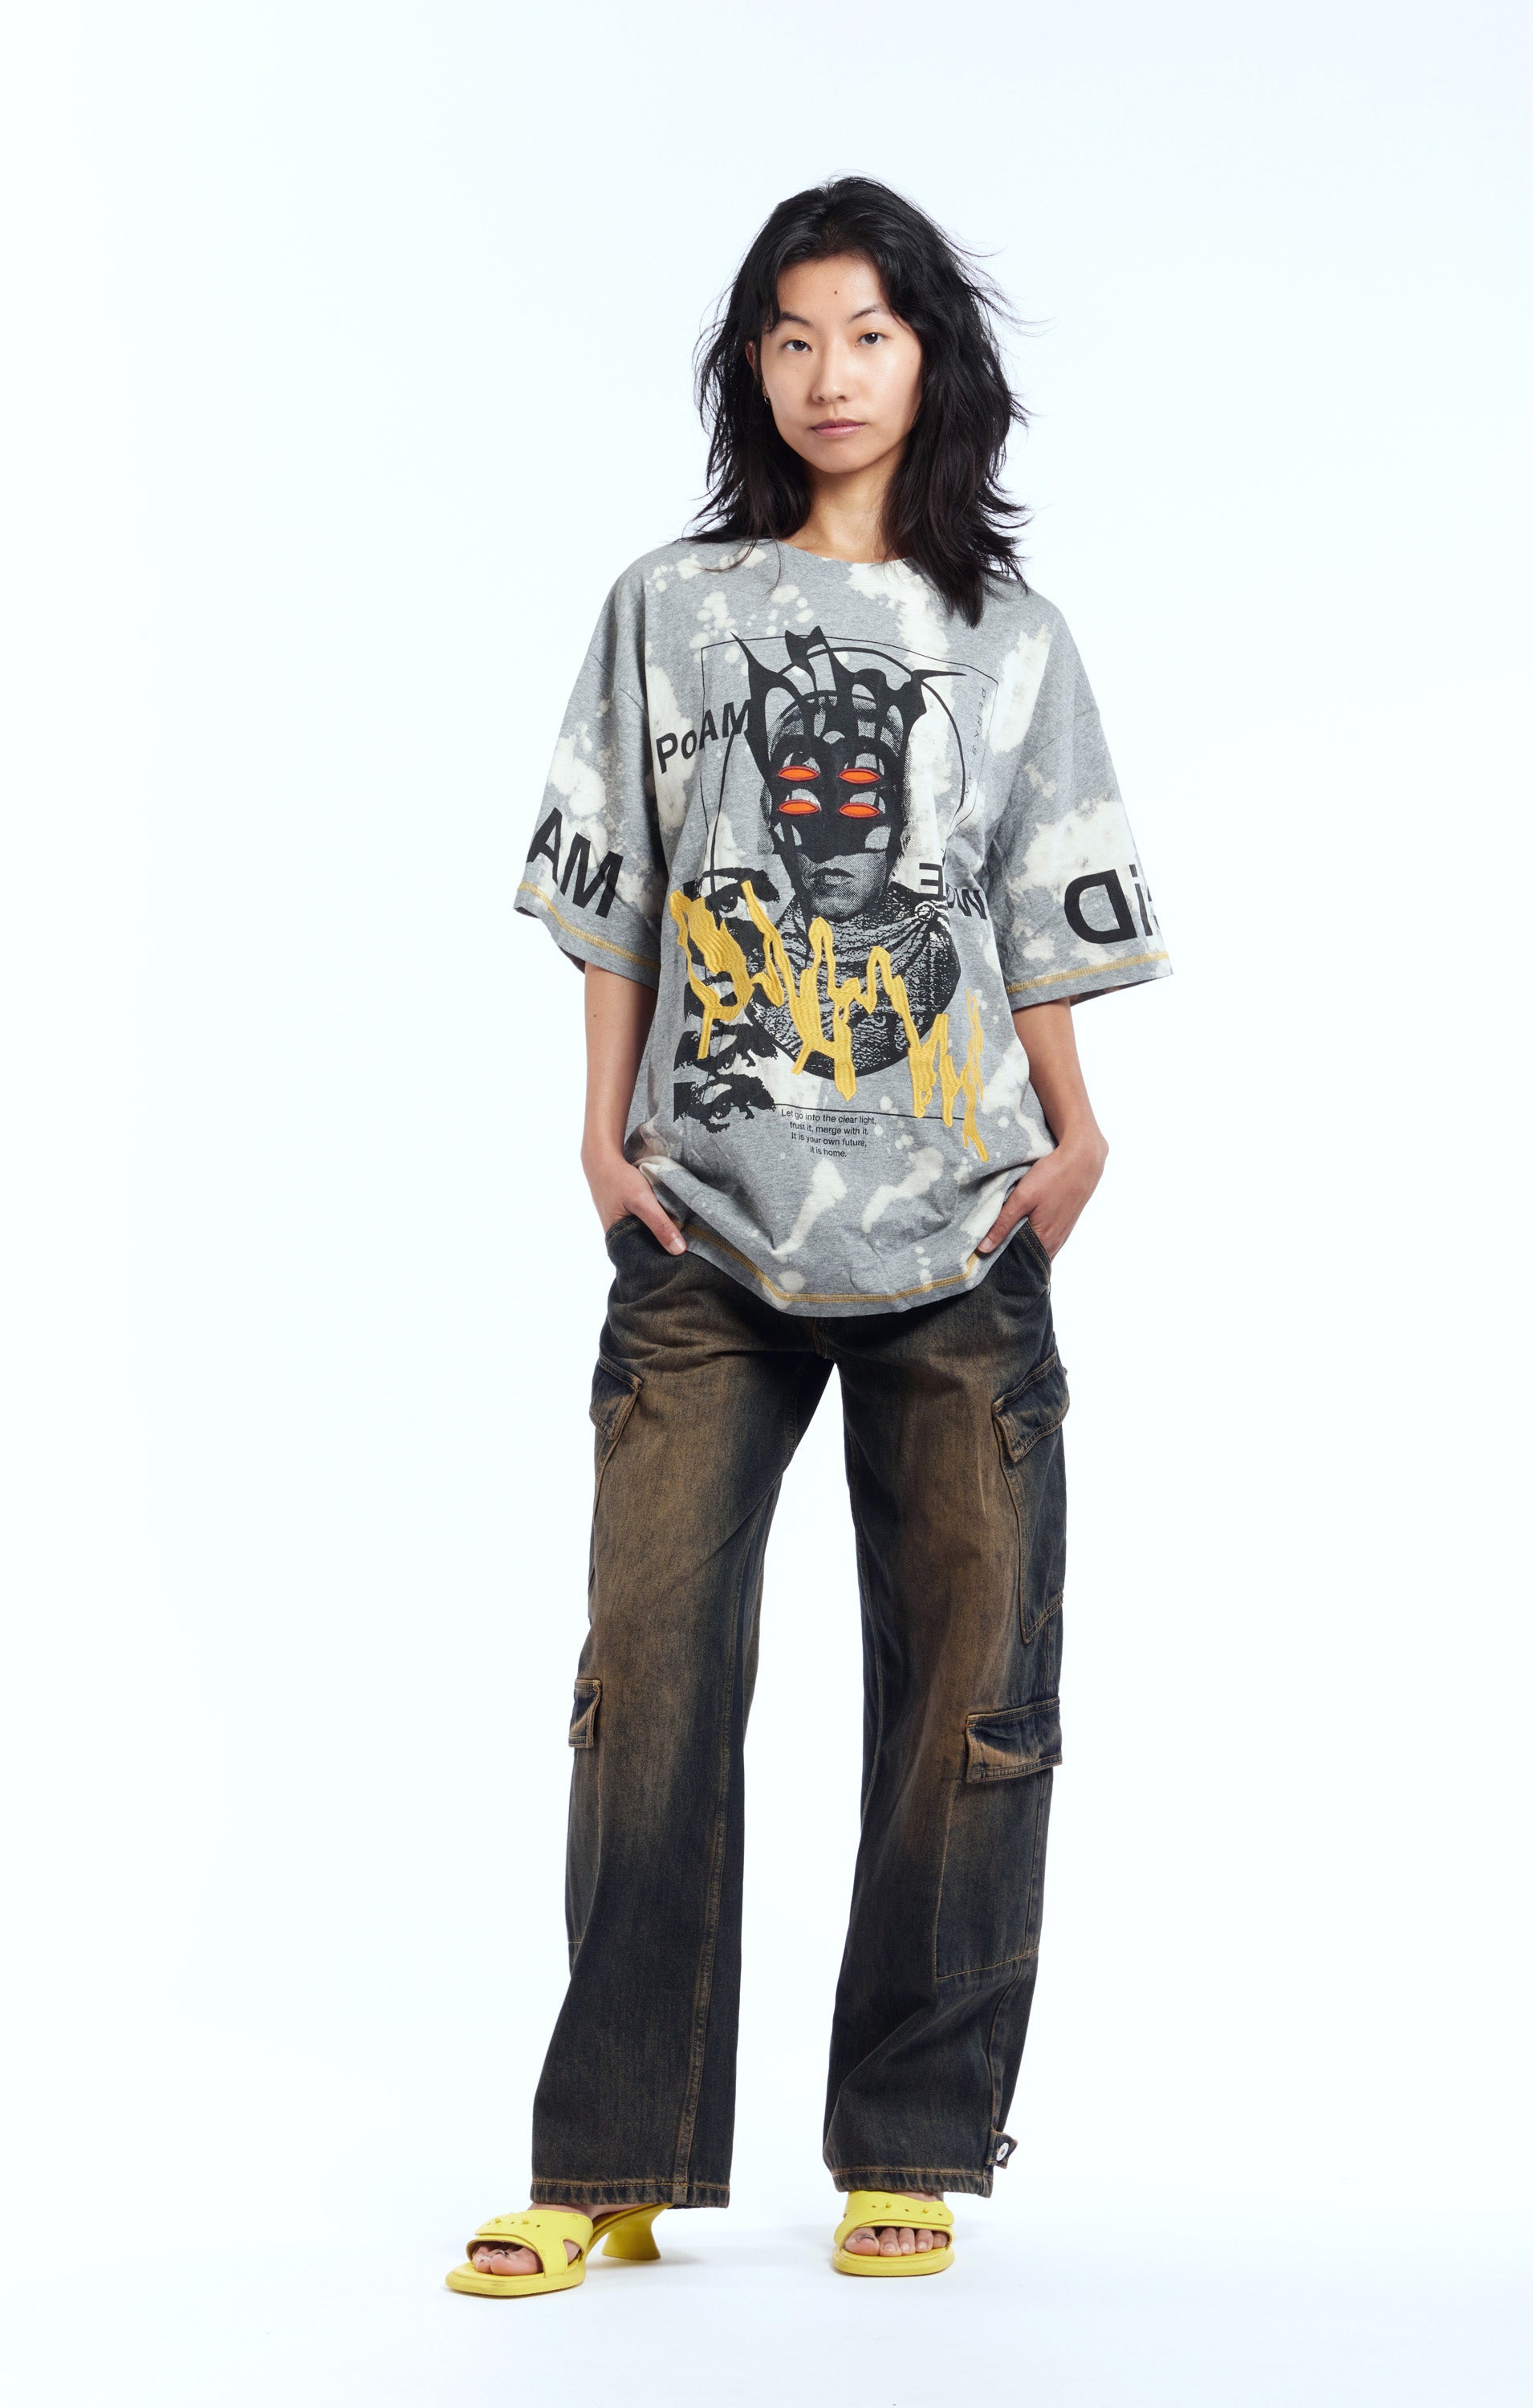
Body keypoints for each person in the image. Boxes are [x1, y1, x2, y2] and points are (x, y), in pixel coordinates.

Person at [446, 175, 1169, 2300]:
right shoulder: (668, 610)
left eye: (867, 332)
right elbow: (621, 888)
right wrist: (602, 1140)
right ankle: (610, 2160)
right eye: (790, 335)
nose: (829, 372)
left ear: (930, 360)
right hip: (706, 1226)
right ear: (749, 367)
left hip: (962, 1222)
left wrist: (1076, 1133)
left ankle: (912, 2142)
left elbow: (1037, 906)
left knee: (972, 1701)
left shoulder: (1011, 640)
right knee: (646, 1687)